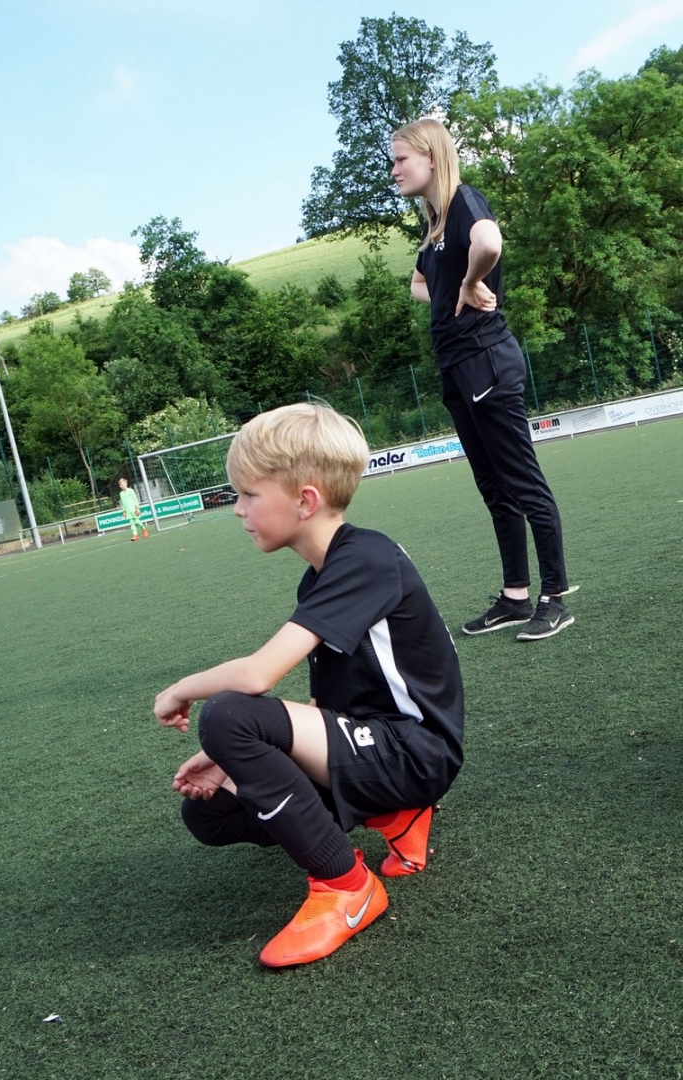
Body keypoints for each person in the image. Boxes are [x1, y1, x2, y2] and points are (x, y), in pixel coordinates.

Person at [154, 403, 464, 968]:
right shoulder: (321, 575)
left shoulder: (366, 558)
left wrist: (181, 689)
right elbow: (324, 704)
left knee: (227, 713)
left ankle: (347, 887)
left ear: (305, 500)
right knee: (210, 814)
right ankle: (398, 815)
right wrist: (226, 760)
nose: (238, 509)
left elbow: (258, 675)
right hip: (370, 742)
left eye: (248, 494)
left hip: (416, 752)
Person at [391, 118, 574, 641]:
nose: (394, 170)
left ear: (431, 157)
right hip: (456, 367)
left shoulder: (464, 201)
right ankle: (515, 597)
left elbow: (490, 243)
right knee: (495, 489)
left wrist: (472, 281)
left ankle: (554, 598)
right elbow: (417, 283)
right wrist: (453, 288)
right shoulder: (435, 225)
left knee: (523, 482)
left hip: (486, 360)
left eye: (401, 159)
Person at [118, 477, 148, 541]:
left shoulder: (131, 491)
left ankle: (144, 529)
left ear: (126, 484)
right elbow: (123, 503)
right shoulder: (121, 494)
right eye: (120, 485)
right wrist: (124, 511)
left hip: (134, 509)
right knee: (131, 523)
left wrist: (137, 508)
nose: (121, 486)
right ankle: (135, 535)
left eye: (122, 485)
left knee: (137, 521)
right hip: (128, 511)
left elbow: (135, 499)